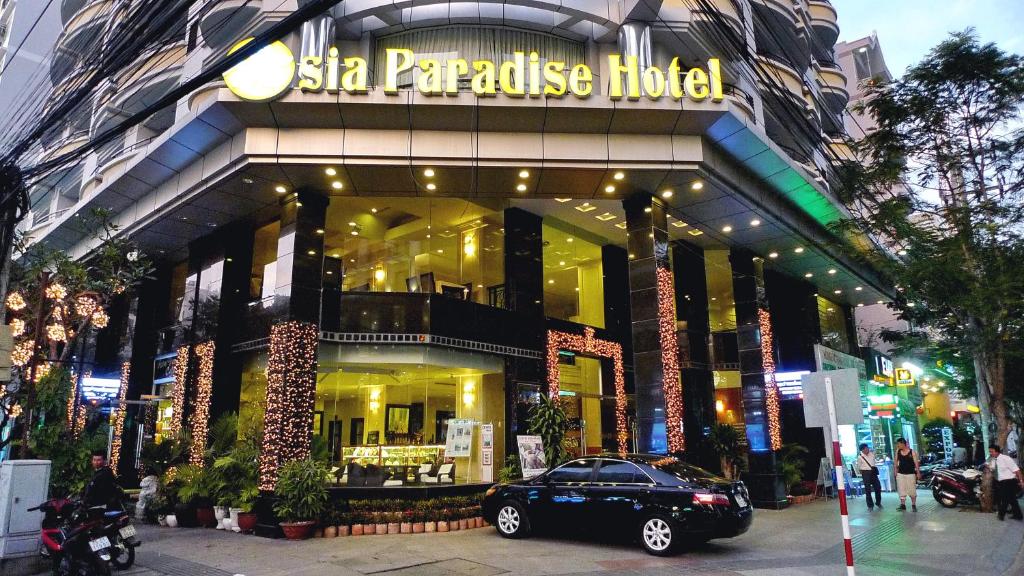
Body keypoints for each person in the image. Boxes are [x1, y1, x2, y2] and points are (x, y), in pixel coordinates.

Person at [988, 444, 1024, 521]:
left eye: (992, 452)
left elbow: (1017, 471)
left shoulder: (1006, 459)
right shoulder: (994, 460)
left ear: (997, 451)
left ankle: (1001, 515)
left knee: (1005, 499)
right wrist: (989, 467)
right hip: (1001, 482)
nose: (990, 453)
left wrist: (1021, 481)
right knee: (1012, 499)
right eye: (990, 452)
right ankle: (1018, 515)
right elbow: (994, 470)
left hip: (1010, 482)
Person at [894, 438, 920, 511]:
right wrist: (895, 471)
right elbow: (895, 461)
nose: (898, 445)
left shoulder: (912, 452)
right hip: (900, 474)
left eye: (898, 444)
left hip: (910, 474)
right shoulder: (898, 451)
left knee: (912, 489)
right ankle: (903, 505)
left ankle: (913, 505)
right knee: (901, 489)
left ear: (903, 444)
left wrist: (918, 472)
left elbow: (916, 463)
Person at [857, 443, 883, 510]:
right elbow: (859, 467)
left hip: (873, 472)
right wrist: (863, 474)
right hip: (865, 473)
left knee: (878, 487)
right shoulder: (860, 457)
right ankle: (870, 506)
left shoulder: (872, 454)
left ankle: (878, 502)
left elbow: (875, 450)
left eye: (867, 447)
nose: (867, 449)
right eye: (866, 448)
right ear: (862, 450)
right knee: (868, 490)